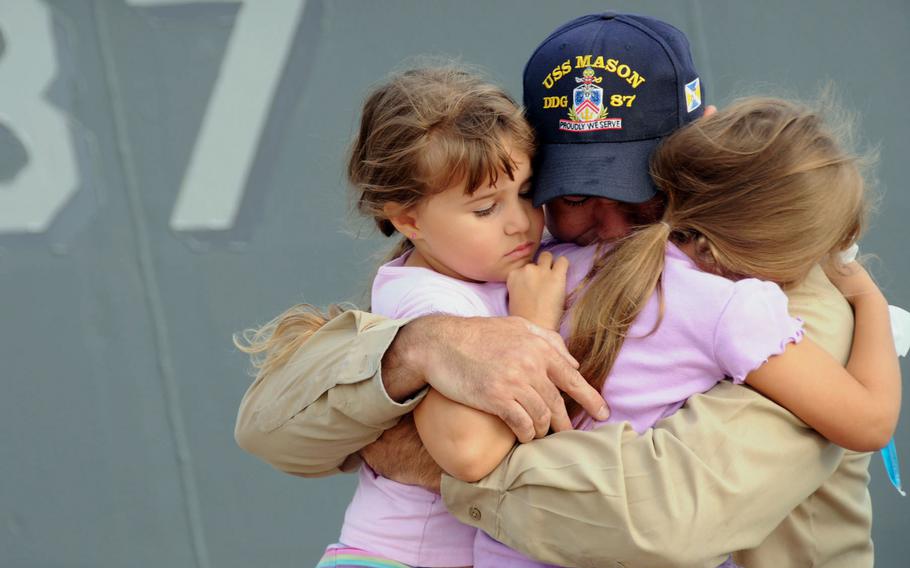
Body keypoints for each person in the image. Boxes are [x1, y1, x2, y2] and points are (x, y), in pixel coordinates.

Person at [235, 13, 880, 567]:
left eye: (638, 190)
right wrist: (421, 348)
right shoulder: (529, 260)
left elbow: (662, 518)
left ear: (701, 143)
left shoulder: (785, 299)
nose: (606, 225)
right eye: (571, 195)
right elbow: (270, 428)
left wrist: (423, 454)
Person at [412, 96, 899, 568]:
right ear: (791, 251)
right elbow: (870, 423)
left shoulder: (547, 264)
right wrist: (869, 299)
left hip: (502, 551)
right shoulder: (739, 309)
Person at [237, 66, 606, 568]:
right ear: (408, 220)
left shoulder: (500, 262)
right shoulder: (428, 298)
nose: (519, 221)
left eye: (524, 192)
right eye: (484, 210)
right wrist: (533, 327)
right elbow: (469, 454)